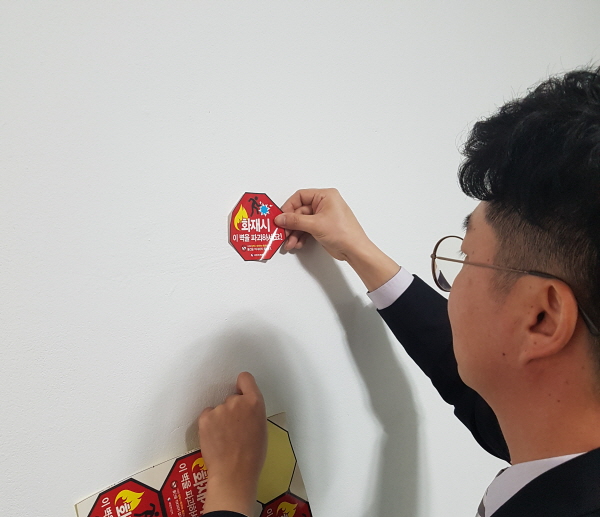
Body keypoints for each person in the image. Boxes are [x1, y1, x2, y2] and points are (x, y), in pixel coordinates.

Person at [198, 66, 600, 516]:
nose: (453, 289)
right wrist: (358, 250)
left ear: (541, 319)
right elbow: (462, 367)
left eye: (465, 259)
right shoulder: (559, 437)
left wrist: (230, 492)